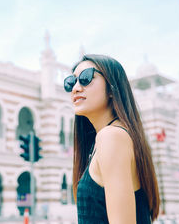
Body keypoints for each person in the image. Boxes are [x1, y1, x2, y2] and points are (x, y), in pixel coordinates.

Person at [64, 54, 160, 224]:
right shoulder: (112, 137)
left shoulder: (111, 136)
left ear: (111, 88)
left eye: (86, 78)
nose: (76, 88)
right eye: (71, 82)